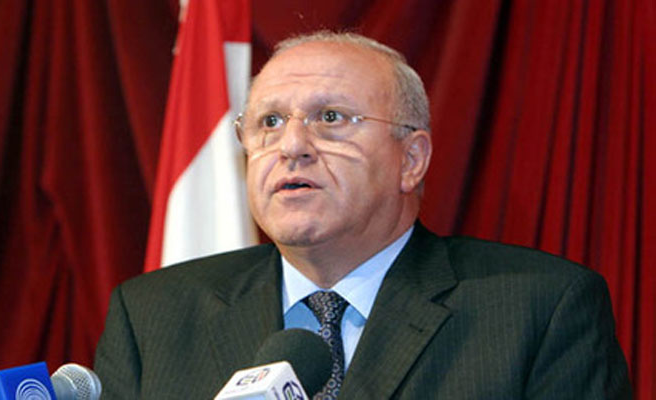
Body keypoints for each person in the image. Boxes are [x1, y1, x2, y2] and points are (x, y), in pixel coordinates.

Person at [94, 31, 631, 399]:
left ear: (411, 159)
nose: (292, 146)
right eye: (270, 122)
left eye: (330, 117)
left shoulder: (539, 309)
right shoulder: (153, 316)